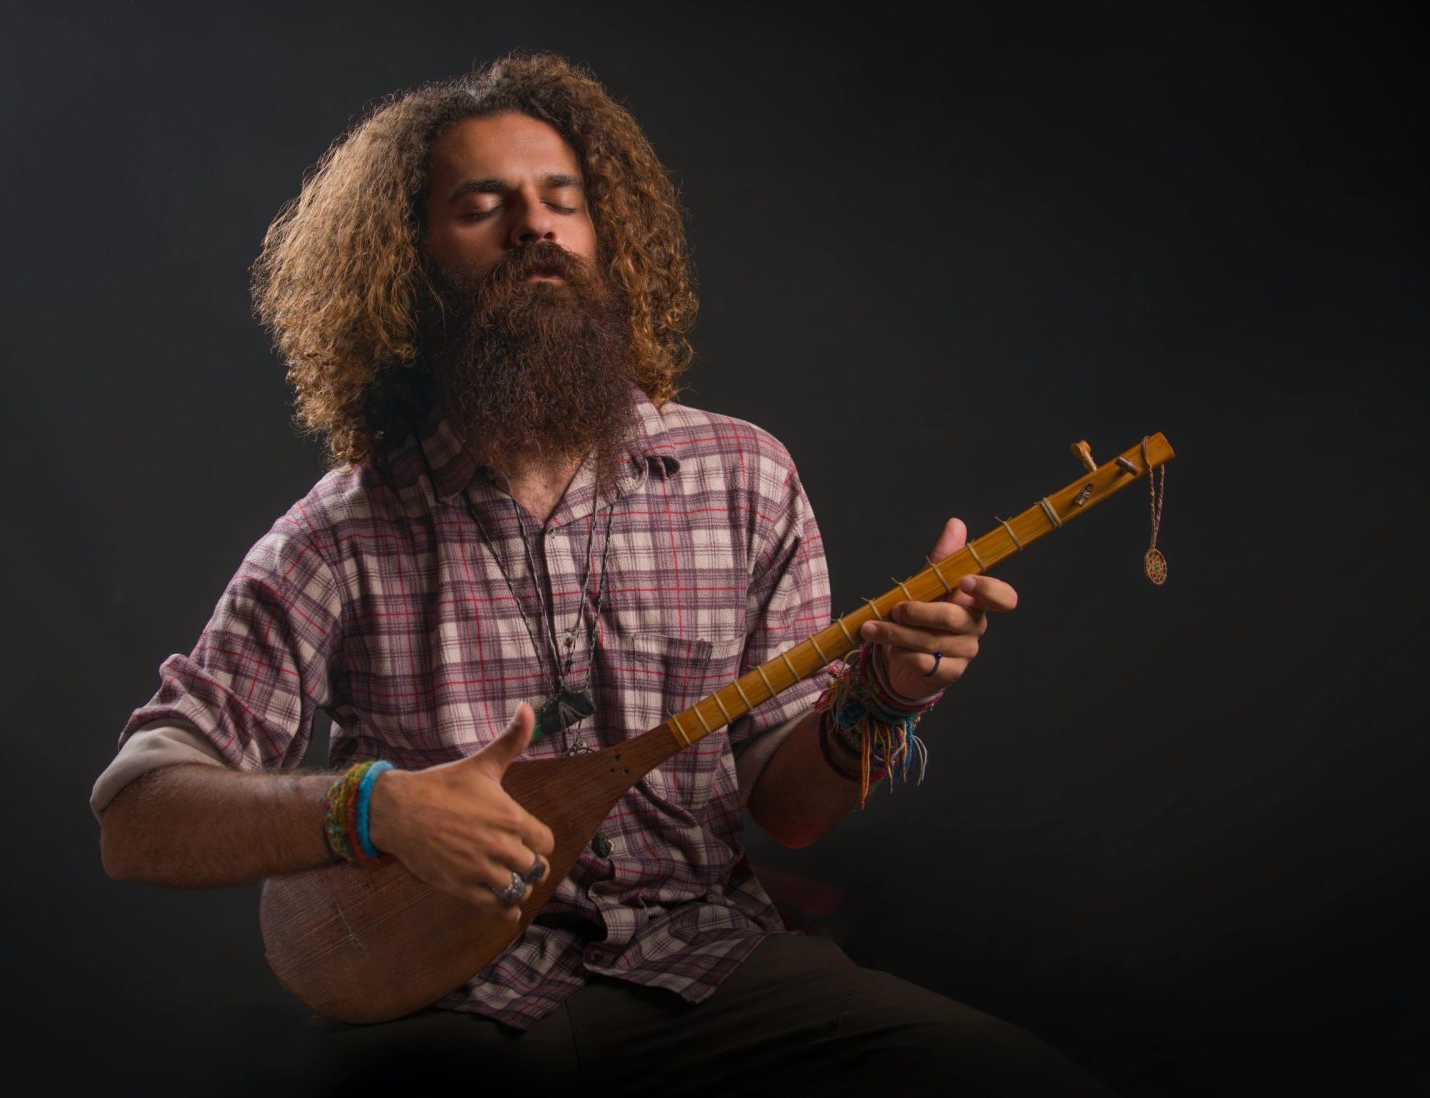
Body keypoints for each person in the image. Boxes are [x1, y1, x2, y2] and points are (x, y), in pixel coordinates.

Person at [93, 52, 1113, 1095]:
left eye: (561, 200)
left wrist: (889, 695)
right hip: (446, 1006)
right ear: (409, 261)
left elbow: (791, 809)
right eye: (482, 204)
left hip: (712, 975)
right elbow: (136, 813)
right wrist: (373, 809)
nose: (533, 226)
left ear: (606, 238)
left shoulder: (744, 477)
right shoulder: (342, 532)